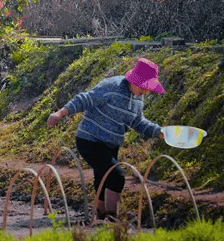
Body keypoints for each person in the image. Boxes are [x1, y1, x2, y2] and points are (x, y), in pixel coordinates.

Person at [46, 58, 165, 223]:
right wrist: (60, 113)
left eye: (148, 89)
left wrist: (159, 132)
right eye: (143, 87)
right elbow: (85, 99)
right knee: (116, 175)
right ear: (134, 80)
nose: (145, 92)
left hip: (112, 142)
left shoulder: (138, 98)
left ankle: (99, 217)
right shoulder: (112, 87)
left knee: (102, 178)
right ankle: (111, 217)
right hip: (90, 140)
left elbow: (137, 121)